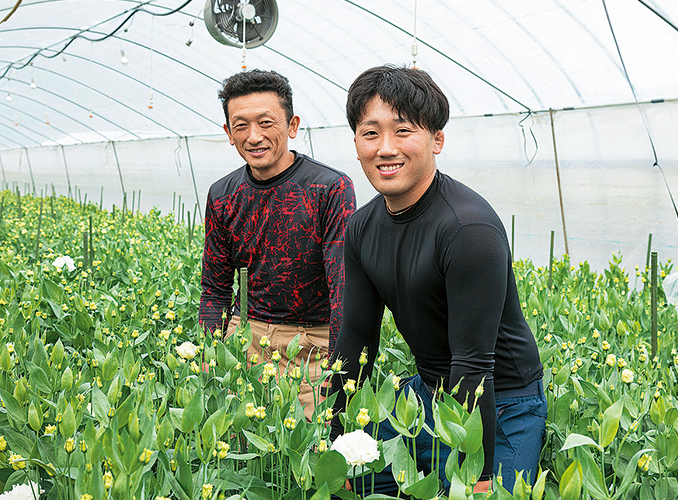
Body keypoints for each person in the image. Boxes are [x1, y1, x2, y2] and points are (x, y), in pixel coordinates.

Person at [330, 65, 545, 495]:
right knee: (347, 482)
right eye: (370, 133)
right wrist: (337, 440)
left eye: (403, 130)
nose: (386, 148)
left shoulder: (468, 229)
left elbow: (473, 365)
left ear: (437, 140)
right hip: (425, 394)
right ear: (356, 143)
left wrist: (478, 478)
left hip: (501, 404)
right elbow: (356, 339)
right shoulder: (361, 228)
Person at [200, 69, 356, 419]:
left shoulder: (329, 188)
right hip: (245, 339)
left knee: (312, 451)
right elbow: (215, 285)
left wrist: (340, 367)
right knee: (242, 451)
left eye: (266, 122)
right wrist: (211, 352)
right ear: (228, 133)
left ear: (292, 125)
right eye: (240, 126)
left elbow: (342, 285)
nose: (254, 136)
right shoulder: (223, 195)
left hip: (311, 345)